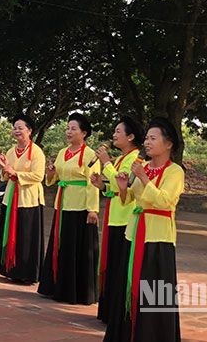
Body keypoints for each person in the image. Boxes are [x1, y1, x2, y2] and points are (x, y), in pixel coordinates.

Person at [104, 117, 183, 342]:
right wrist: (122, 188)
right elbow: (130, 198)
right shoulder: (145, 167)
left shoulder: (175, 172)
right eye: (146, 138)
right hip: (134, 232)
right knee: (128, 284)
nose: (147, 142)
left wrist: (143, 178)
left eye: (153, 138)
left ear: (168, 144)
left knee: (155, 291)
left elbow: (165, 201)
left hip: (158, 238)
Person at [38, 112, 101, 304]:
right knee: (61, 244)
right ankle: (57, 285)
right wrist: (50, 173)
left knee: (77, 247)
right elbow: (53, 179)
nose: (69, 131)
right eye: (68, 128)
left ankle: (77, 291)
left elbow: (93, 182)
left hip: (80, 205)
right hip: (62, 202)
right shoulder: (62, 152)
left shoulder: (90, 155)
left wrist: (92, 209)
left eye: (73, 128)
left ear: (84, 133)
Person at [91, 116, 144, 324]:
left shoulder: (134, 159)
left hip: (125, 218)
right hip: (114, 216)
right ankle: (109, 311)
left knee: (120, 267)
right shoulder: (122, 158)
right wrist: (102, 186)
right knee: (112, 265)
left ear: (130, 137)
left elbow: (124, 186)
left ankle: (118, 312)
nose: (114, 135)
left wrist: (106, 163)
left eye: (118, 132)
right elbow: (114, 187)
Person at [0, 113, 45, 284]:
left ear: (29, 131)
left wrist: (16, 173)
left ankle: (26, 272)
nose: (17, 131)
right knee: (9, 233)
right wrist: (4, 168)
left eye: (20, 128)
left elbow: (38, 176)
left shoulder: (36, 151)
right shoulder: (11, 151)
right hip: (10, 197)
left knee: (26, 235)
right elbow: (6, 175)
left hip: (28, 199)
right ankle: (9, 268)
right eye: (14, 128)